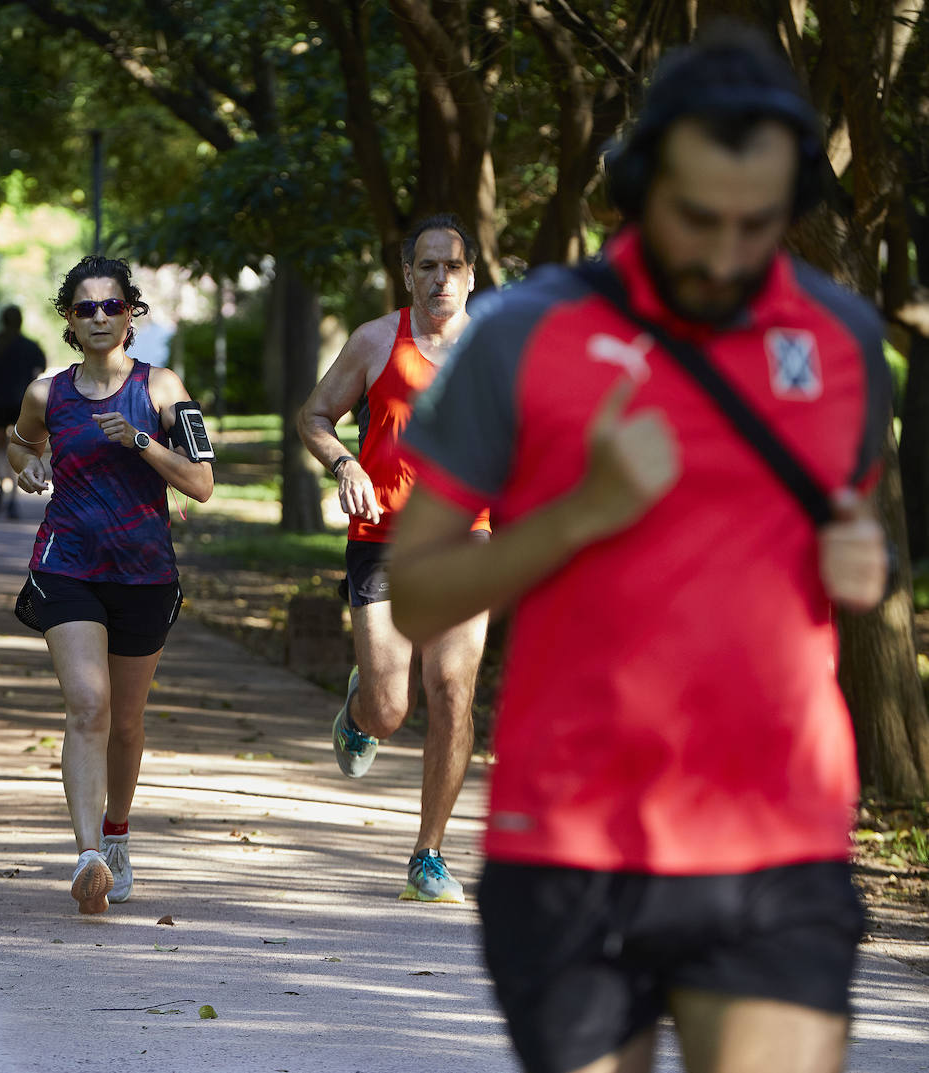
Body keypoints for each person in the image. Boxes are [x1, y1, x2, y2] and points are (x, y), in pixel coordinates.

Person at [388, 25, 891, 1073]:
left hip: (779, 834)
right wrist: (581, 511)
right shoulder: (527, 334)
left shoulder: (844, 346)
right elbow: (417, 595)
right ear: (638, 183)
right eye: (696, 217)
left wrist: (864, 567)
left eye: (757, 225)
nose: (722, 252)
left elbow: (848, 535)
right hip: (574, 838)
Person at [7, 255, 213, 914]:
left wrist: (142, 442)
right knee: (88, 704)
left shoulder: (161, 388)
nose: (99, 316)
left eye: (111, 305)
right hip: (67, 563)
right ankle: (88, 852)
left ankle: (117, 834)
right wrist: (29, 465)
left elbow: (202, 483)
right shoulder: (48, 393)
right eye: (85, 307)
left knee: (126, 720)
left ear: (131, 314)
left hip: (144, 572)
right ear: (69, 319)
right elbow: (20, 443)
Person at [296, 214, 492, 903]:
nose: (441, 277)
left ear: (472, 275)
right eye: (428, 266)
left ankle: (428, 854)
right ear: (409, 274)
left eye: (454, 266)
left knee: (452, 692)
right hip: (383, 540)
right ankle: (360, 710)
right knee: (391, 707)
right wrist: (345, 462)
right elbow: (314, 415)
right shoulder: (377, 341)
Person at [0, 305, 46, 518]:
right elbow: (39, 371)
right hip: (21, 403)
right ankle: (13, 497)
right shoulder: (31, 347)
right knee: (19, 448)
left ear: (2, 321)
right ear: (20, 321)